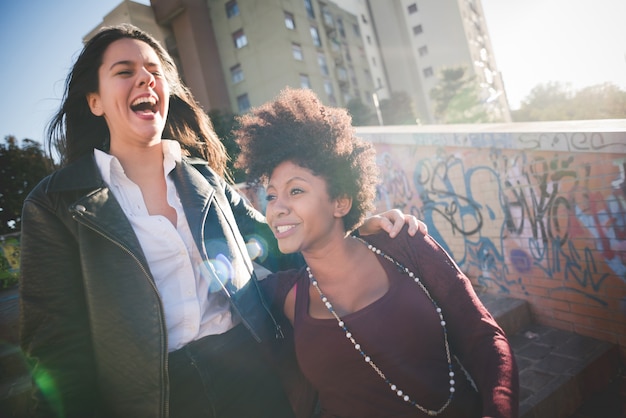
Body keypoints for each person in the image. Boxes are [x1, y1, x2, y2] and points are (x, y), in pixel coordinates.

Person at [18, 25, 423, 418]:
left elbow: (278, 241)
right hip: (153, 399)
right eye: (125, 72)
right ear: (95, 101)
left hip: (252, 371)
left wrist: (351, 229)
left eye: (154, 71)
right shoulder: (56, 204)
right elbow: (57, 347)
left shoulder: (204, 180)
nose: (145, 78)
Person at [234, 88, 520, 418]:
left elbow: (483, 338)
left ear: (340, 201)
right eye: (271, 196)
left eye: (295, 190)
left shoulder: (404, 244)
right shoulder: (280, 295)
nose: (277, 209)